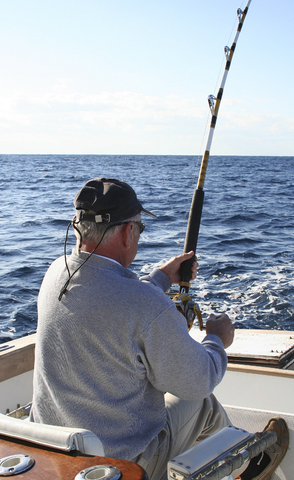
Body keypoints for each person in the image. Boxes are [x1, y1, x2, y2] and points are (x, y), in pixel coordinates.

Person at [30, 177, 286, 480]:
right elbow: (199, 379)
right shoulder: (144, 304)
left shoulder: (56, 273)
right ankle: (245, 467)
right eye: (139, 228)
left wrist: (161, 277)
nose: (138, 235)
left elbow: (112, 301)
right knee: (201, 402)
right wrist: (217, 339)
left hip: (55, 452)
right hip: (120, 465)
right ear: (128, 232)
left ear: (78, 225)